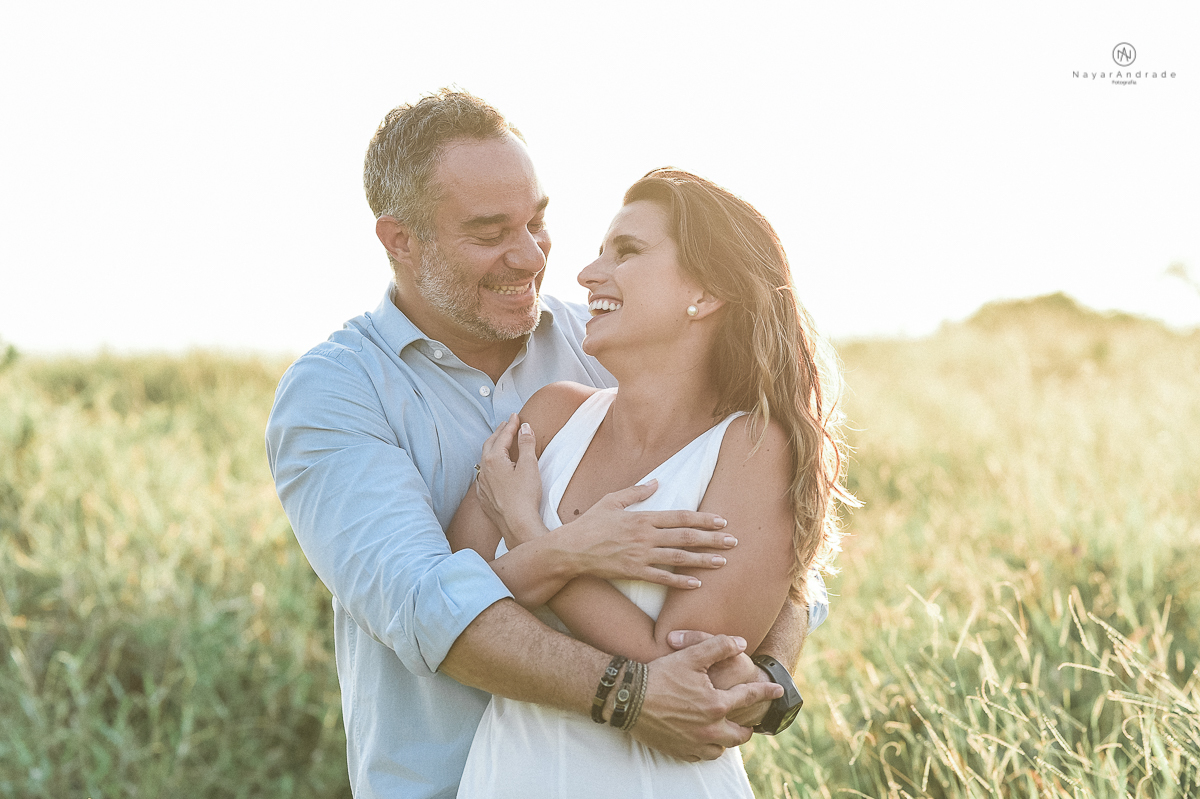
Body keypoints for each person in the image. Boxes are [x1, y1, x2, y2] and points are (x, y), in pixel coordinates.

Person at [265, 90, 827, 799]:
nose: (530, 256)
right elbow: (428, 608)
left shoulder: (610, 347)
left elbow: (775, 548)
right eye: (489, 231)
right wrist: (625, 669)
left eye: (537, 220)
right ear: (401, 241)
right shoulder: (337, 393)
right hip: (456, 780)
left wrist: (767, 671)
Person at [448, 168, 851, 797]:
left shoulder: (751, 447)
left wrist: (532, 532)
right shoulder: (552, 416)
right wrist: (568, 551)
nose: (586, 274)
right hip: (509, 773)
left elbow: (683, 665)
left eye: (628, 252)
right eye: (602, 251)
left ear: (707, 291)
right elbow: (456, 602)